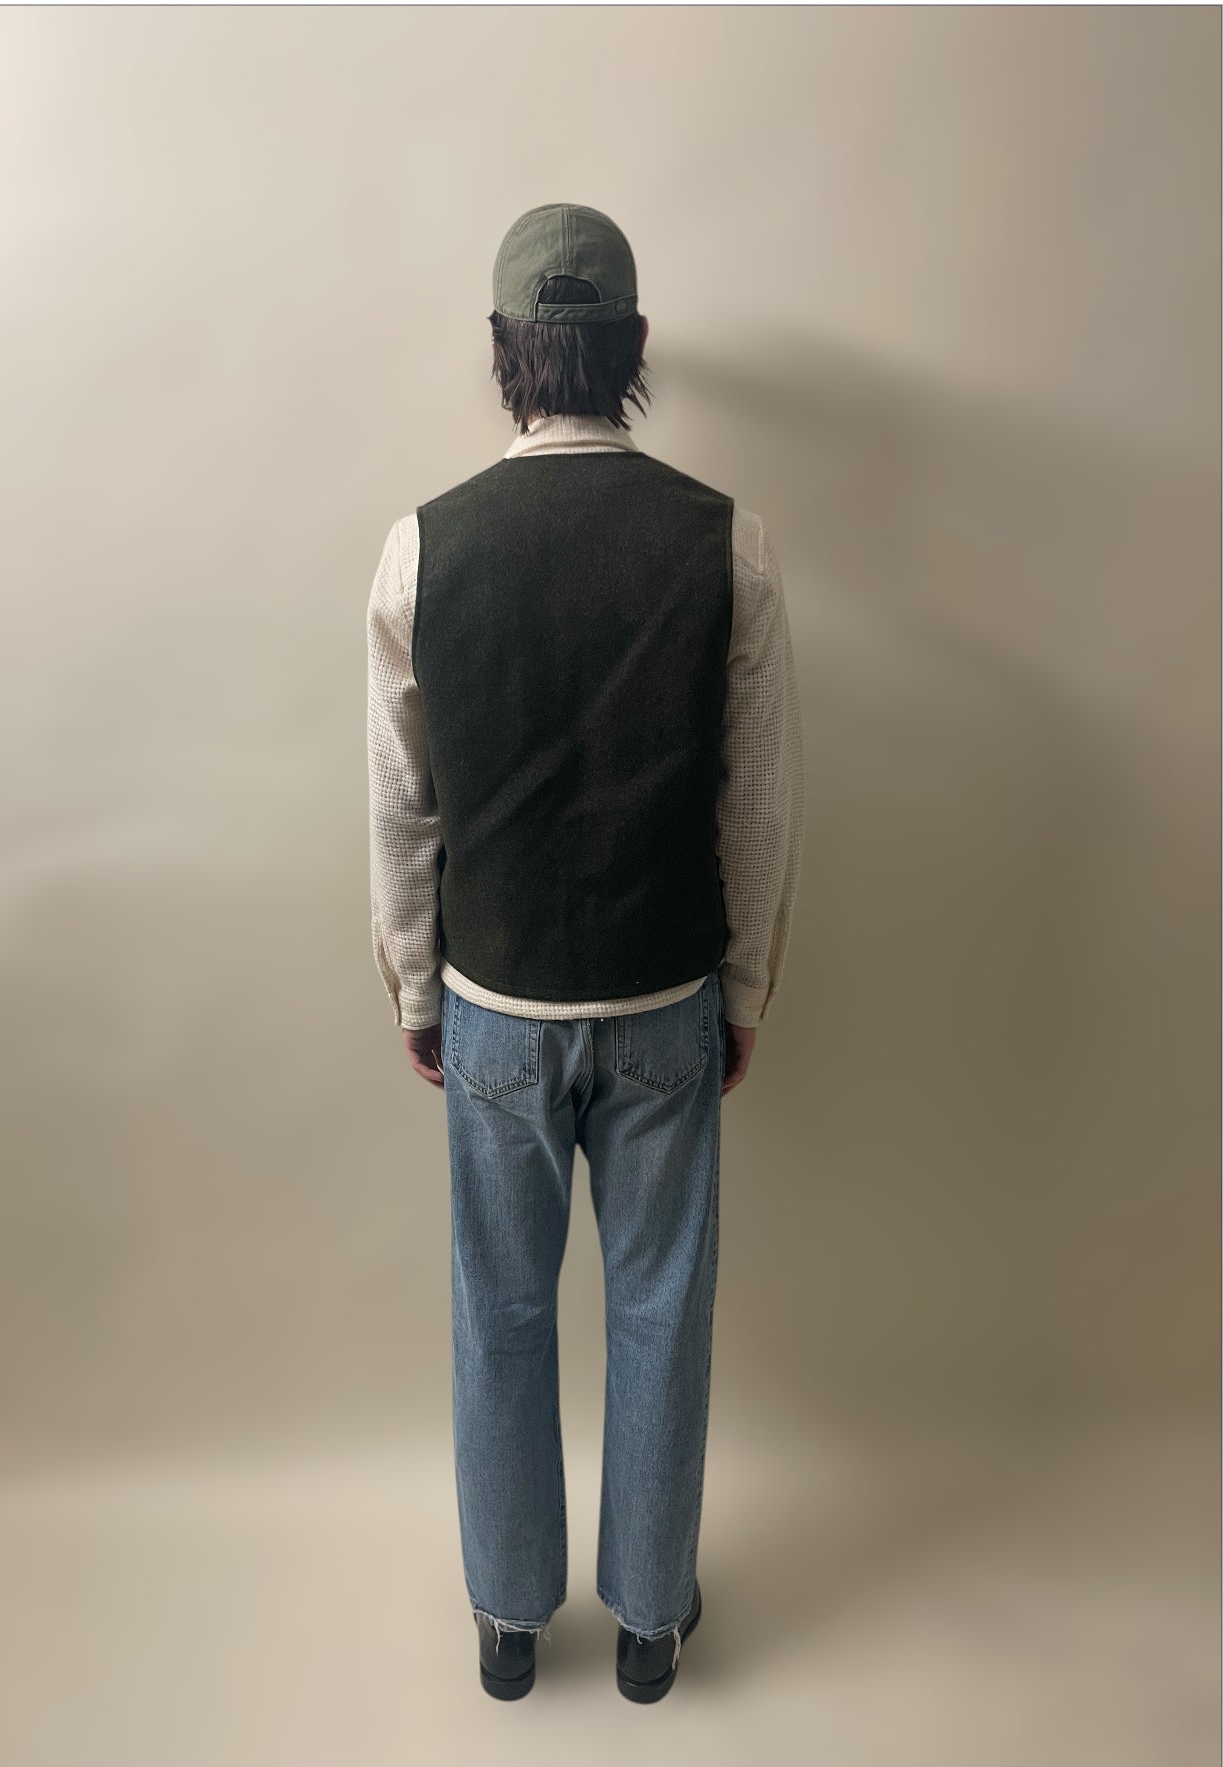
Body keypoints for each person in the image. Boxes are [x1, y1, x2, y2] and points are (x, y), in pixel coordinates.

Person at [365, 202, 805, 1703]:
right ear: (633, 347)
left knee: (498, 1311)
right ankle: (650, 1621)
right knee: (659, 1309)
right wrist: (744, 991)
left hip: (495, 1001)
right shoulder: (724, 539)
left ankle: (507, 1619)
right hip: (667, 990)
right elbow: (759, 795)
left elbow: (401, 799)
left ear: (505, 350)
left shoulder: (423, 547)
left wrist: (415, 985)